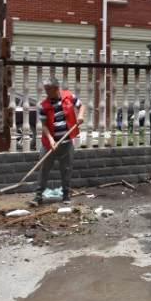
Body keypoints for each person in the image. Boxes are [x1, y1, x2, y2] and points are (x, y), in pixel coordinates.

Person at [30, 76, 85, 207]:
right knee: (44, 167)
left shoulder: (69, 96)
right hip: (49, 144)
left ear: (56, 88)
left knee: (66, 168)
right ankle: (38, 194)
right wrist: (51, 140)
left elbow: (81, 106)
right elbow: (44, 126)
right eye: (45, 90)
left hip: (66, 143)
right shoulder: (44, 105)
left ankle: (66, 193)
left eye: (48, 90)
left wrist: (80, 116)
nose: (46, 92)